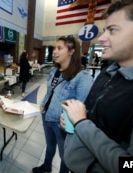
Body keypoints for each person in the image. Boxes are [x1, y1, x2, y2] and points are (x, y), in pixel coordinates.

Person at [61, 1, 133, 173]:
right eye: (104, 31)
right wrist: (73, 120)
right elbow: (96, 117)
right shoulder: (106, 73)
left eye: (112, 30)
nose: (102, 38)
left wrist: (81, 122)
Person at [32, 36, 93, 173]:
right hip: (46, 116)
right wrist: (43, 104)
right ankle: (46, 167)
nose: (54, 51)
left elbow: (82, 106)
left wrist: (69, 123)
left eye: (59, 48)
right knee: (49, 145)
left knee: (65, 155)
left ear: (71, 51)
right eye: (55, 48)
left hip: (62, 124)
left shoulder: (82, 77)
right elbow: (50, 92)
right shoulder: (54, 71)